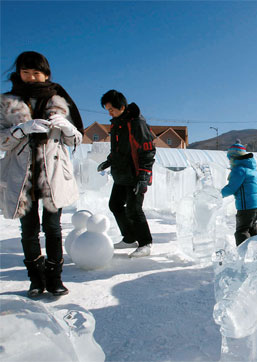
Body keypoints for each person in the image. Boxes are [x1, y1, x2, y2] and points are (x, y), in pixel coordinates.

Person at [0, 51, 84, 297]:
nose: (31, 77)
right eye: (26, 72)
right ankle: (35, 279)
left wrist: (68, 128)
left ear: (46, 73)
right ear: (19, 73)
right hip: (21, 176)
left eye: (36, 72)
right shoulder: (7, 101)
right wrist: (19, 130)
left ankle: (55, 277)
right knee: (28, 230)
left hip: (53, 174)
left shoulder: (59, 99)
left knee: (53, 227)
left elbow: (76, 138)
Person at [97, 90, 156, 258]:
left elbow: (148, 150)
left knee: (134, 209)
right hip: (121, 173)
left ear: (122, 106)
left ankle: (145, 243)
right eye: (107, 109)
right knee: (115, 205)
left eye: (111, 109)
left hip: (136, 174)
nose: (109, 112)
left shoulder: (136, 123)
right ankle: (130, 237)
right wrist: (109, 161)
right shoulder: (116, 124)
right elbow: (118, 149)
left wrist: (144, 176)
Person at [221, 141, 257, 246]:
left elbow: (231, 188)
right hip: (256, 205)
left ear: (234, 157)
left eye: (230, 158)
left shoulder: (239, 170)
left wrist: (217, 194)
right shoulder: (251, 168)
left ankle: (243, 254)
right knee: (252, 226)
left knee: (242, 230)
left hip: (246, 206)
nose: (229, 161)